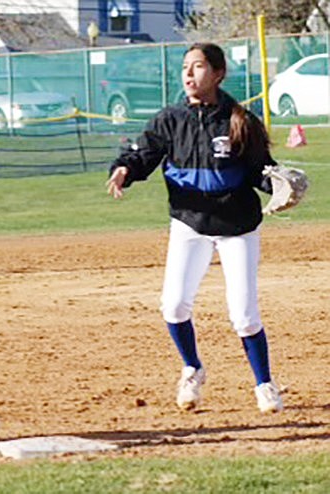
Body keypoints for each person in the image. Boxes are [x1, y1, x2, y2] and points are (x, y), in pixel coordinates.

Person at [105, 43, 284, 413]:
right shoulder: (169, 121)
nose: (189, 74)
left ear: (218, 74)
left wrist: (280, 184)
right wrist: (124, 169)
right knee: (173, 304)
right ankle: (192, 368)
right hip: (189, 223)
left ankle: (264, 385)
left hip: (237, 225)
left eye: (199, 67)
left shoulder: (240, 121)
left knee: (244, 315)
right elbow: (143, 155)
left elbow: (260, 169)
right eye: (186, 67)